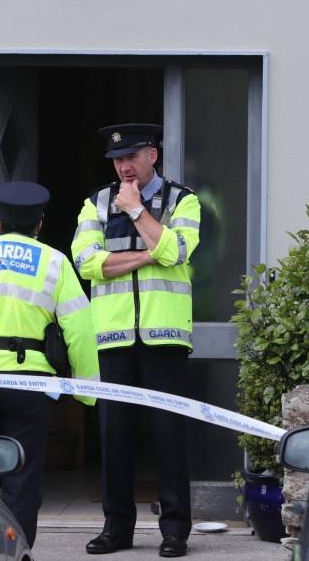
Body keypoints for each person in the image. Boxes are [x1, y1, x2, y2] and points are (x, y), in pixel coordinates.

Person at [0, 181, 99, 548]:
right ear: (39, 224)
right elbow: (80, 326)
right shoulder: (53, 262)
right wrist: (87, 390)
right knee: (22, 479)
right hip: (28, 386)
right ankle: (18, 552)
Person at [71, 123, 201, 558]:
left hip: (165, 336)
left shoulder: (184, 200)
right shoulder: (94, 203)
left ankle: (175, 530)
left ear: (153, 156)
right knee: (115, 435)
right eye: (117, 159)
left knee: (169, 434)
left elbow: (179, 252)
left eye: (132, 156)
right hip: (113, 336)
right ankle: (117, 528)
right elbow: (88, 264)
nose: (123, 165)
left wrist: (136, 211)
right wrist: (150, 252)